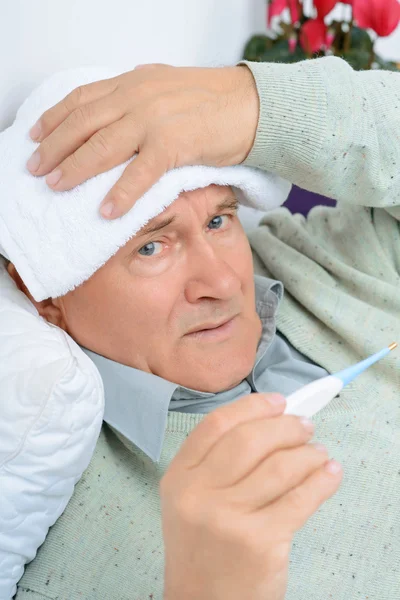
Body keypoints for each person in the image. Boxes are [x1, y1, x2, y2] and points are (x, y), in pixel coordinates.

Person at [10, 56, 400, 600]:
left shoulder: (337, 267)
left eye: (220, 220)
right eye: (151, 246)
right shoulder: (67, 541)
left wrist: (250, 105)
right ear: (43, 293)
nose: (222, 281)